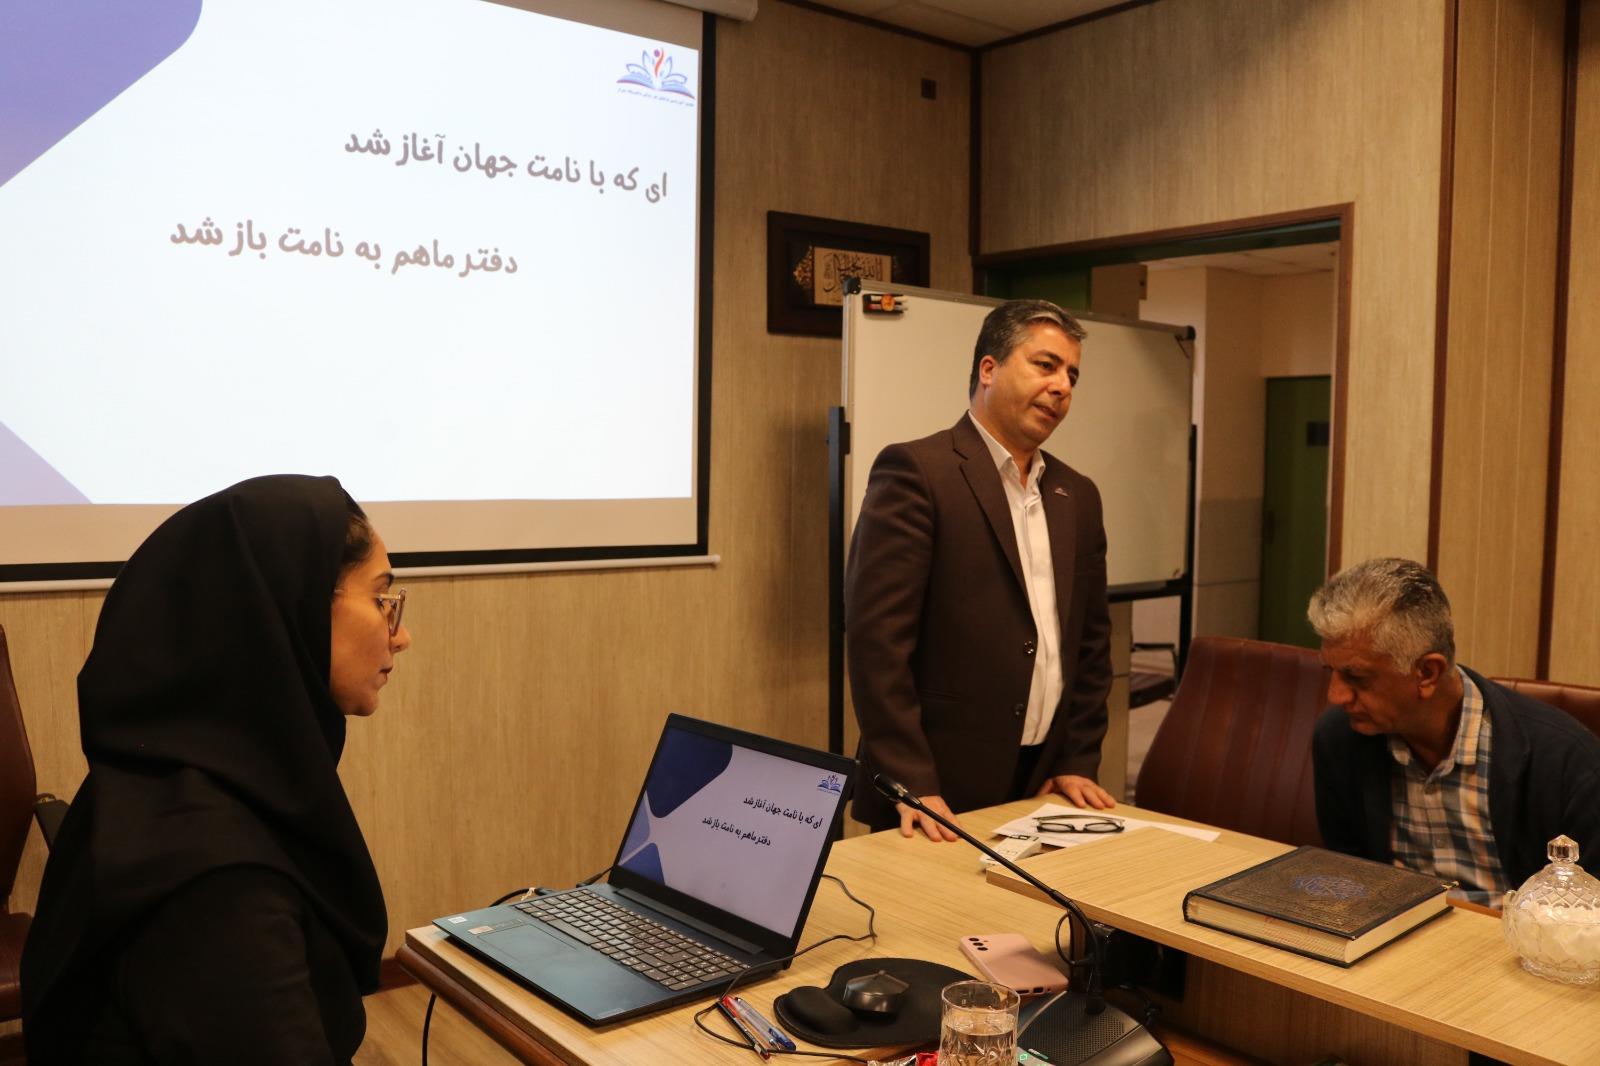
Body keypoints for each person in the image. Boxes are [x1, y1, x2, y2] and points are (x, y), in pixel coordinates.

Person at [21, 475, 412, 1064]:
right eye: (382, 600)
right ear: (291, 604)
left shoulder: (177, 781)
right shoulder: (219, 884)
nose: (401, 636)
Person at [846, 298, 1114, 841]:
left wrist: (1077, 758)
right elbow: (878, 644)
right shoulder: (918, 472)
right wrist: (910, 781)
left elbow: (1090, 643)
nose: (1062, 386)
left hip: (1042, 785)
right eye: (1046, 365)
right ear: (988, 369)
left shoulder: (1078, 494)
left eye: (1072, 375)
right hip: (933, 792)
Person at [1310, 557, 1600, 899]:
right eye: (1330, 671)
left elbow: (1584, 912)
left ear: (1427, 673)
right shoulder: (1341, 739)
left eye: (1356, 677)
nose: (1335, 696)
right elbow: (1349, 875)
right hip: (1391, 926)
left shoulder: (1567, 763)